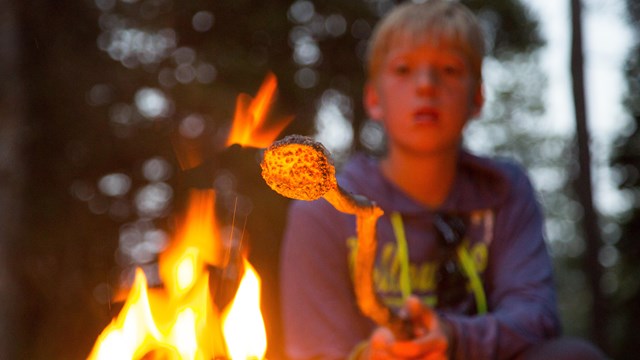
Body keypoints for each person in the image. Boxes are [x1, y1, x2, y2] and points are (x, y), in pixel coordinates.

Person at [279, 1, 605, 359]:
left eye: (449, 69)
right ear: (374, 99)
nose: (426, 85)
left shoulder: (503, 192)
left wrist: (453, 335)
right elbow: (313, 347)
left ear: (477, 98)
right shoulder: (322, 212)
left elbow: (536, 315)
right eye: (403, 69)